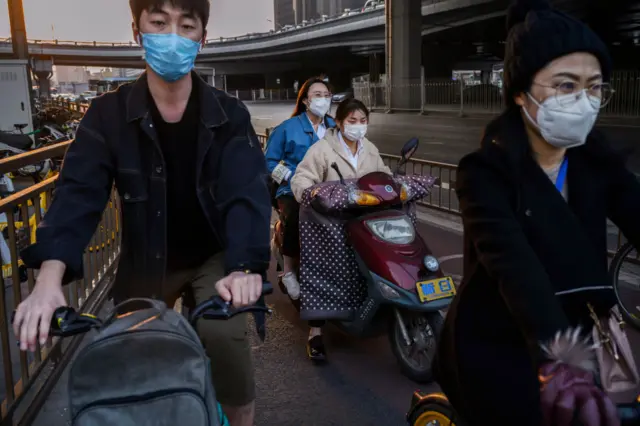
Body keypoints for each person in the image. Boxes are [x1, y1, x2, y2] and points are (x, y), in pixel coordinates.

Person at [12, 1, 271, 426]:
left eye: (186, 26)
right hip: (148, 256)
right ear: (138, 32)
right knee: (129, 356)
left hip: (215, 255)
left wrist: (245, 267)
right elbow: (78, 192)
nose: (172, 35)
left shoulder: (230, 114)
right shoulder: (107, 114)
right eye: (159, 22)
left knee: (225, 338)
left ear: (201, 40)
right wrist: (48, 277)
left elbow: (247, 192)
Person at [435, 1, 640, 425]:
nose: (583, 101)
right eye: (566, 86)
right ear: (519, 92)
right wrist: (560, 358)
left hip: (586, 342)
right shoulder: (485, 171)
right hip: (502, 346)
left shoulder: (597, 165)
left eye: (595, 86)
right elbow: (515, 268)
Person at [290, 98, 390, 361]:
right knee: (324, 269)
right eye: (352, 121)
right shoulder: (322, 149)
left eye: (363, 121)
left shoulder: (370, 148)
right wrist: (312, 194)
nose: (358, 127)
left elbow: (384, 176)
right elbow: (302, 178)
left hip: (367, 223)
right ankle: (315, 332)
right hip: (331, 224)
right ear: (339, 122)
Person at [264, 77, 335, 300]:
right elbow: (269, 162)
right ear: (305, 100)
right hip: (292, 190)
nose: (323, 100)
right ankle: (288, 271)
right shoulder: (287, 128)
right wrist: (291, 176)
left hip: (330, 189)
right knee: (298, 212)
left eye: (326, 95)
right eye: (317, 95)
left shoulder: (335, 127)